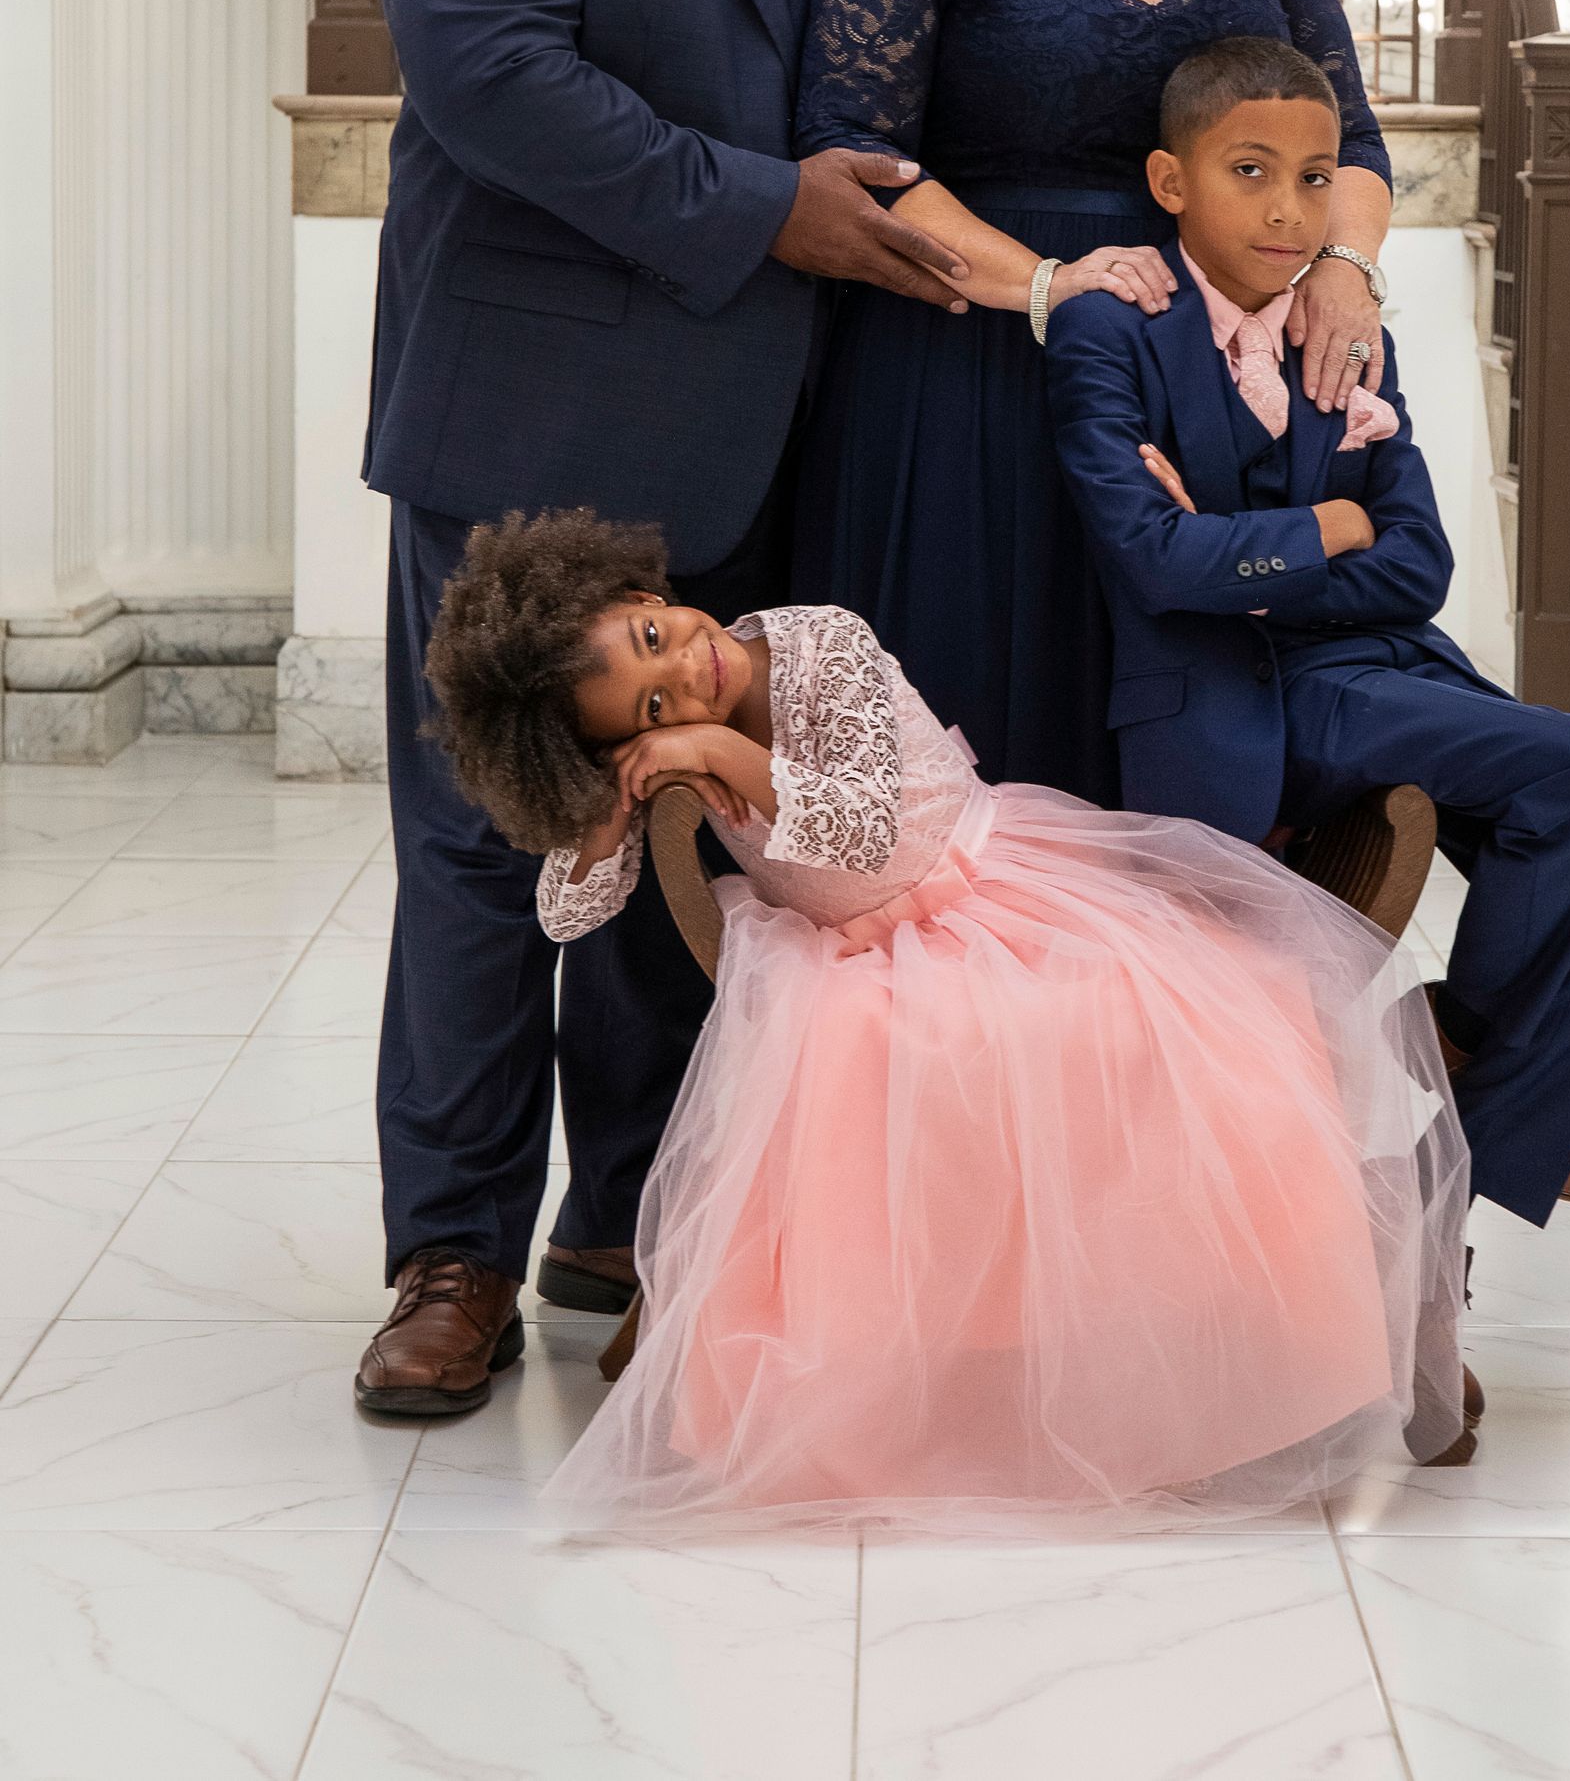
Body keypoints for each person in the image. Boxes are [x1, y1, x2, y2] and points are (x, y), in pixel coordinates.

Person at [354, 0, 965, 1420]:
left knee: (680, 836)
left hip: (752, 424)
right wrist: (765, 208)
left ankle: (620, 1217)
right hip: (528, 428)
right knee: (483, 845)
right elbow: (492, 78)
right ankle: (449, 1247)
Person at [418, 509, 1472, 1531]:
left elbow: (868, 832)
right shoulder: (667, 741)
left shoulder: (820, 642)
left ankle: (1190, 1359)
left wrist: (722, 755)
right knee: (853, 1063)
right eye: (649, 706)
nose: (684, 676)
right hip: (848, 959)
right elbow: (568, 914)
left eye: (656, 638)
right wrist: (607, 814)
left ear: (648, 596)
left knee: (1137, 1038)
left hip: (987, 897)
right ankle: (882, 1397)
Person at [1047, 34, 1570, 1230]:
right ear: (1169, 180)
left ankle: (1461, 1115)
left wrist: (1263, 553)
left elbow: (1420, 569)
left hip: (1382, 669)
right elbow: (1149, 559)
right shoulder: (1112, 329)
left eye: (1314, 176)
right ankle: (1457, 1059)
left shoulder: (1350, 332)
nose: (1290, 208)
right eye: (1249, 171)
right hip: (1246, 695)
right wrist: (1330, 525)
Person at [792, 0, 1396, 808]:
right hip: (974, 376)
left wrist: (1342, 268)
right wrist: (1053, 288)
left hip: (1206, 375)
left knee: (1188, 752)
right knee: (991, 748)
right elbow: (862, 160)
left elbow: (1357, 145)